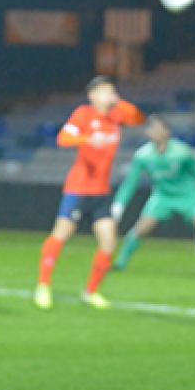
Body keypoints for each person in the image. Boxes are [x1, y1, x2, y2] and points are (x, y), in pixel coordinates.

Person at [34, 76, 145, 310]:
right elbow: (63, 138)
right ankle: (43, 285)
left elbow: (138, 118)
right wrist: (86, 139)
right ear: (92, 95)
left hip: (101, 192)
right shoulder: (84, 114)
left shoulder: (117, 115)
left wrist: (120, 102)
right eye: (105, 91)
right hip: (78, 189)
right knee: (61, 234)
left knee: (109, 242)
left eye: (111, 91)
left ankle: (91, 292)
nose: (109, 95)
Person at [110, 114, 195, 274]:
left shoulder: (182, 153)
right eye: (150, 128)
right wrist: (120, 202)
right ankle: (120, 263)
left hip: (187, 195)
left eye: (156, 128)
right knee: (141, 228)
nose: (151, 132)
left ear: (167, 132)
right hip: (162, 196)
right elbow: (131, 182)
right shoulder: (143, 155)